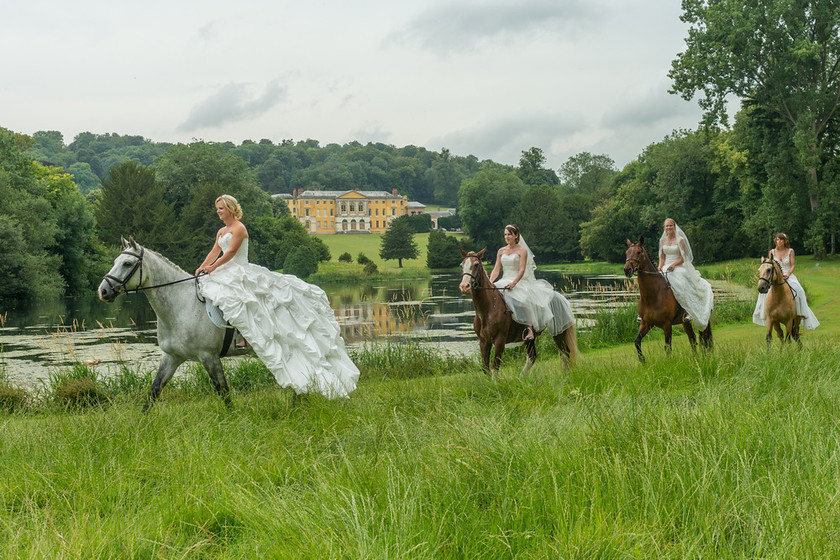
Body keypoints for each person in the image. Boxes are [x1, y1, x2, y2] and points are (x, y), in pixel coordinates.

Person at [196, 195, 359, 398]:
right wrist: (203, 266)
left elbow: (230, 254)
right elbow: (215, 251)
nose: (218, 211)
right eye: (217, 208)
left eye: (221, 208)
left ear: (230, 208)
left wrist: (212, 268)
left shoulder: (239, 228)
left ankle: (242, 336)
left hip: (239, 270)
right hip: (224, 269)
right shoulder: (221, 231)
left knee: (237, 298)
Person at [488, 224, 574, 340]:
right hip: (504, 280)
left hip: (519, 281)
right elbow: (496, 269)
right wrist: (490, 281)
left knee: (523, 299)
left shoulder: (522, 250)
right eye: (505, 234)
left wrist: (514, 283)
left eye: (509, 234)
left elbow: (522, 269)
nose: (507, 237)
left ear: (516, 236)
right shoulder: (501, 251)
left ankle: (529, 329)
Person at [752, 232, 820, 330]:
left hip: (788, 275)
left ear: (785, 241)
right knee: (764, 291)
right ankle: (761, 312)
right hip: (775, 276)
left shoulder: (790, 251)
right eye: (777, 240)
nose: (779, 242)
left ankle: (802, 312)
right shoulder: (771, 252)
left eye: (781, 240)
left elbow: (792, 265)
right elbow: (769, 264)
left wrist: (788, 274)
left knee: (799, 290)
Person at [657, 218, 714, 329]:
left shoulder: (680, 240)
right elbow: (662, 256)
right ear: (664, 228)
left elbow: (684, 258)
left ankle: (686, 311)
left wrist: (674, 265)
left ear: (674, 226)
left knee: (680, 283)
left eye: (670, 226)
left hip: (678, 266)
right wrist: (659, 267)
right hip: (665, 267)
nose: (668, 228)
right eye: (666, 226)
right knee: (655, 283)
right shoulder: (662, 240)